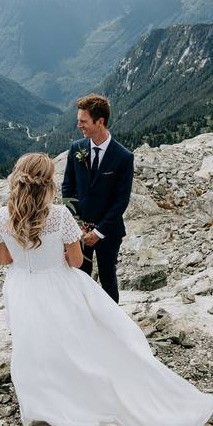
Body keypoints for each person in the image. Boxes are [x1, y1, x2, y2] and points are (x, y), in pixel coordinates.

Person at [0, 153, 213, 426]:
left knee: (32, 341)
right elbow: (74, 260)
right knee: (77, 339)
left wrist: (27, 257)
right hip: (59, 284)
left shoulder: (4, 216)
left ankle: (43, 399)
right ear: (48, 183)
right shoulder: (58, 215)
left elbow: (3, 259)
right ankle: (84, 387)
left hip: (22, 288)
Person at [61, 94, 133, 303]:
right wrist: (77, 224)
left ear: (99, 122)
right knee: (80, 277)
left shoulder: (123, 157)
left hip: (108, 232)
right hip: (79, 230)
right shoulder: (77, 149)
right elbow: (68, 187)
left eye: (83, 121)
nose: (78, 125)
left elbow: (121, 201)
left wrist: (99, 231)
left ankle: (113, 326)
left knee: (108, 278)